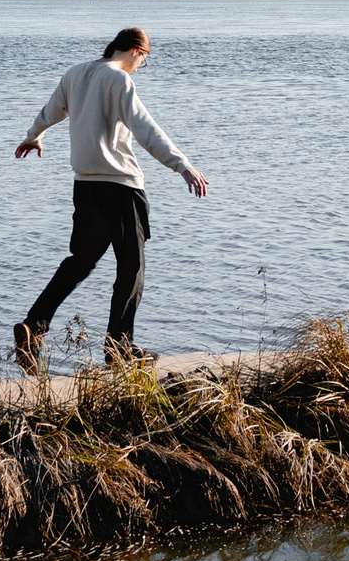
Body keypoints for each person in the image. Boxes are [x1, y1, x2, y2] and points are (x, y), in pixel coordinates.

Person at [11, 27, 210, 372]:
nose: (139, 67)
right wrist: (183, 165)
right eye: (142, 61)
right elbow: (146, 129)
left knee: (81, 260)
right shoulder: (119, 80)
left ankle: (34, 325)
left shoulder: (75, 73)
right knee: (131, 267)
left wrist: (33, 136)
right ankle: (119, 348)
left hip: (85, 186)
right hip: (121, 186)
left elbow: (51, 111)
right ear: (135, 51)